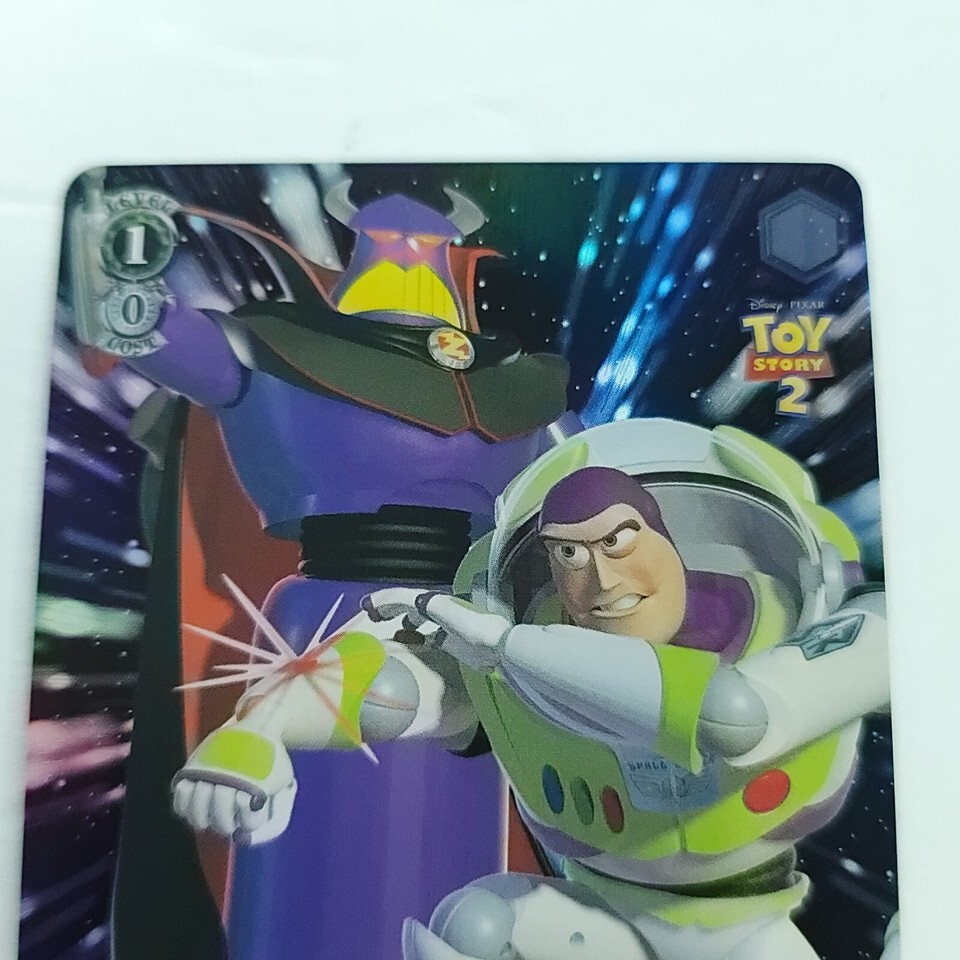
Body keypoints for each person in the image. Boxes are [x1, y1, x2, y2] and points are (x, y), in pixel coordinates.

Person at [173, 418, 895, 960]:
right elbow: (388, 688)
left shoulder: (832, 626)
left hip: (748, 935)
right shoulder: (510, 637)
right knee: (480, 928)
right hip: (601, 919)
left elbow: (733, 715)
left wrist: (508, 648)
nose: (602, 579)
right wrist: (257, 731)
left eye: (618, 541)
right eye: (569, 554)